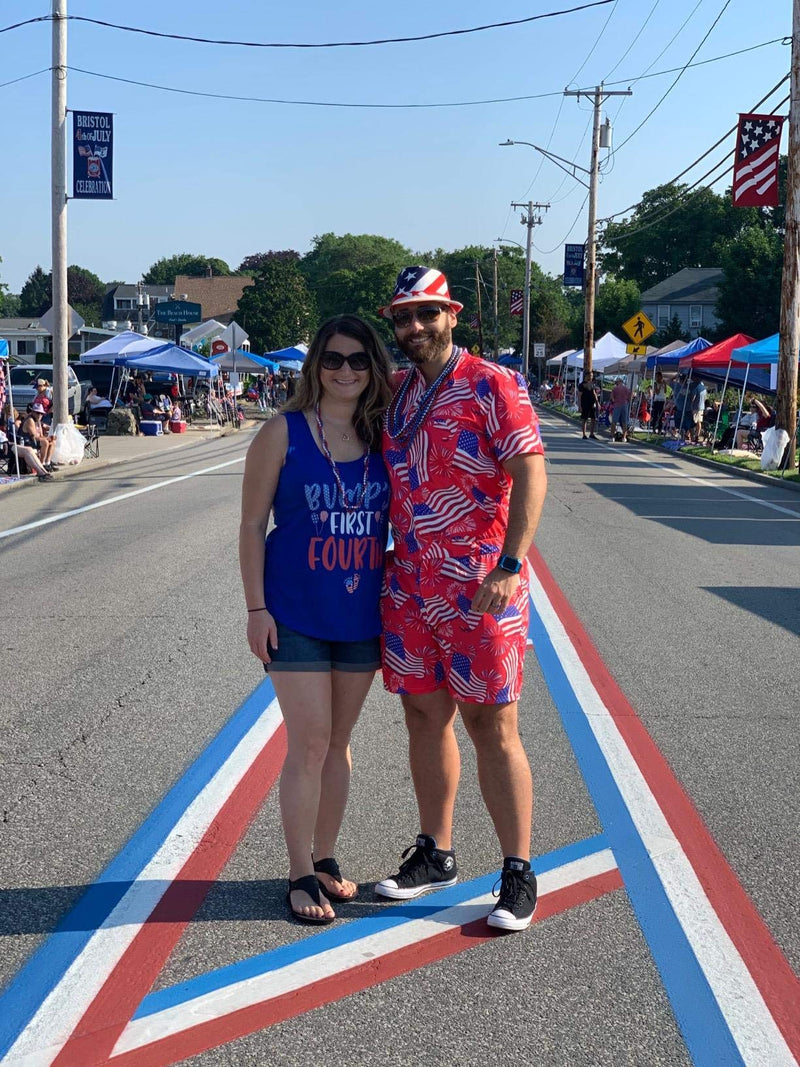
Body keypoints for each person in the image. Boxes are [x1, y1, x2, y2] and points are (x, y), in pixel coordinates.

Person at [375, 266, 547, 932]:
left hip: (479, 585)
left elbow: (531, 469)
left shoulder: (490, 384)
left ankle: (517, 869)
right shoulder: (394, 392)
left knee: (492, 726)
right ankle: (436, 851)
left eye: (426, 313)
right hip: (411, 583)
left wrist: (511, 561)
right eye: (402, 317)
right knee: (424, 718)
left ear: (453, 313)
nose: (413, 327)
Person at [239, 314, 393, 925]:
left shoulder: (385, 435)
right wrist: (256, 608)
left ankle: (326, 858)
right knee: (309, 741)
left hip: (361, 612)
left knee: (339, 744)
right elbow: (252, 526)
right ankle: (300, 871)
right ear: (315, 366)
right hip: (294, 610)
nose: (346, 370)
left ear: (373, 368)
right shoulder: (283, 433)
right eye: (334, 359)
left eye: (359, 360)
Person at [21, 401, 56, 469]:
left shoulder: (38, 421)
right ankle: (41, 464)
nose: (39, 415)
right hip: (27, 441)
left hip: (36, 440)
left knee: (52, 442)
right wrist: (46, 439)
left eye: (41, 413)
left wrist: (49, 438)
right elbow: (34, 436)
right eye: (38, 413)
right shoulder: (30, 420)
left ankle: (47, 463)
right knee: (45, 442)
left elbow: (41, 435)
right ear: (33, 412)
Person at [577, 370, 601, 439]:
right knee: (585, 419)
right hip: (585, 403)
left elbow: (594, 394)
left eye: (592, 376)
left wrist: (597, 403)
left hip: (592, 403)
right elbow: (579, 396)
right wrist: (579, 406)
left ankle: (591, 433)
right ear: (586, 376)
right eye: (590, 375)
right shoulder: (581, 385)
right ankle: (584, 434)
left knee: (593, 418)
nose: (591, 377)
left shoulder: (592, 384)